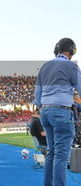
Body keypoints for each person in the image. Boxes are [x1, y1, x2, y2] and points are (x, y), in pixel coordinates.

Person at [34, 38, 81, 186]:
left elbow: (37, 95)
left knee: (52, 152)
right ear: (72, 50)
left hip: (45, 113)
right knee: (61, 155)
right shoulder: (70, 66)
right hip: (61, 113)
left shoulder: (45, 66)